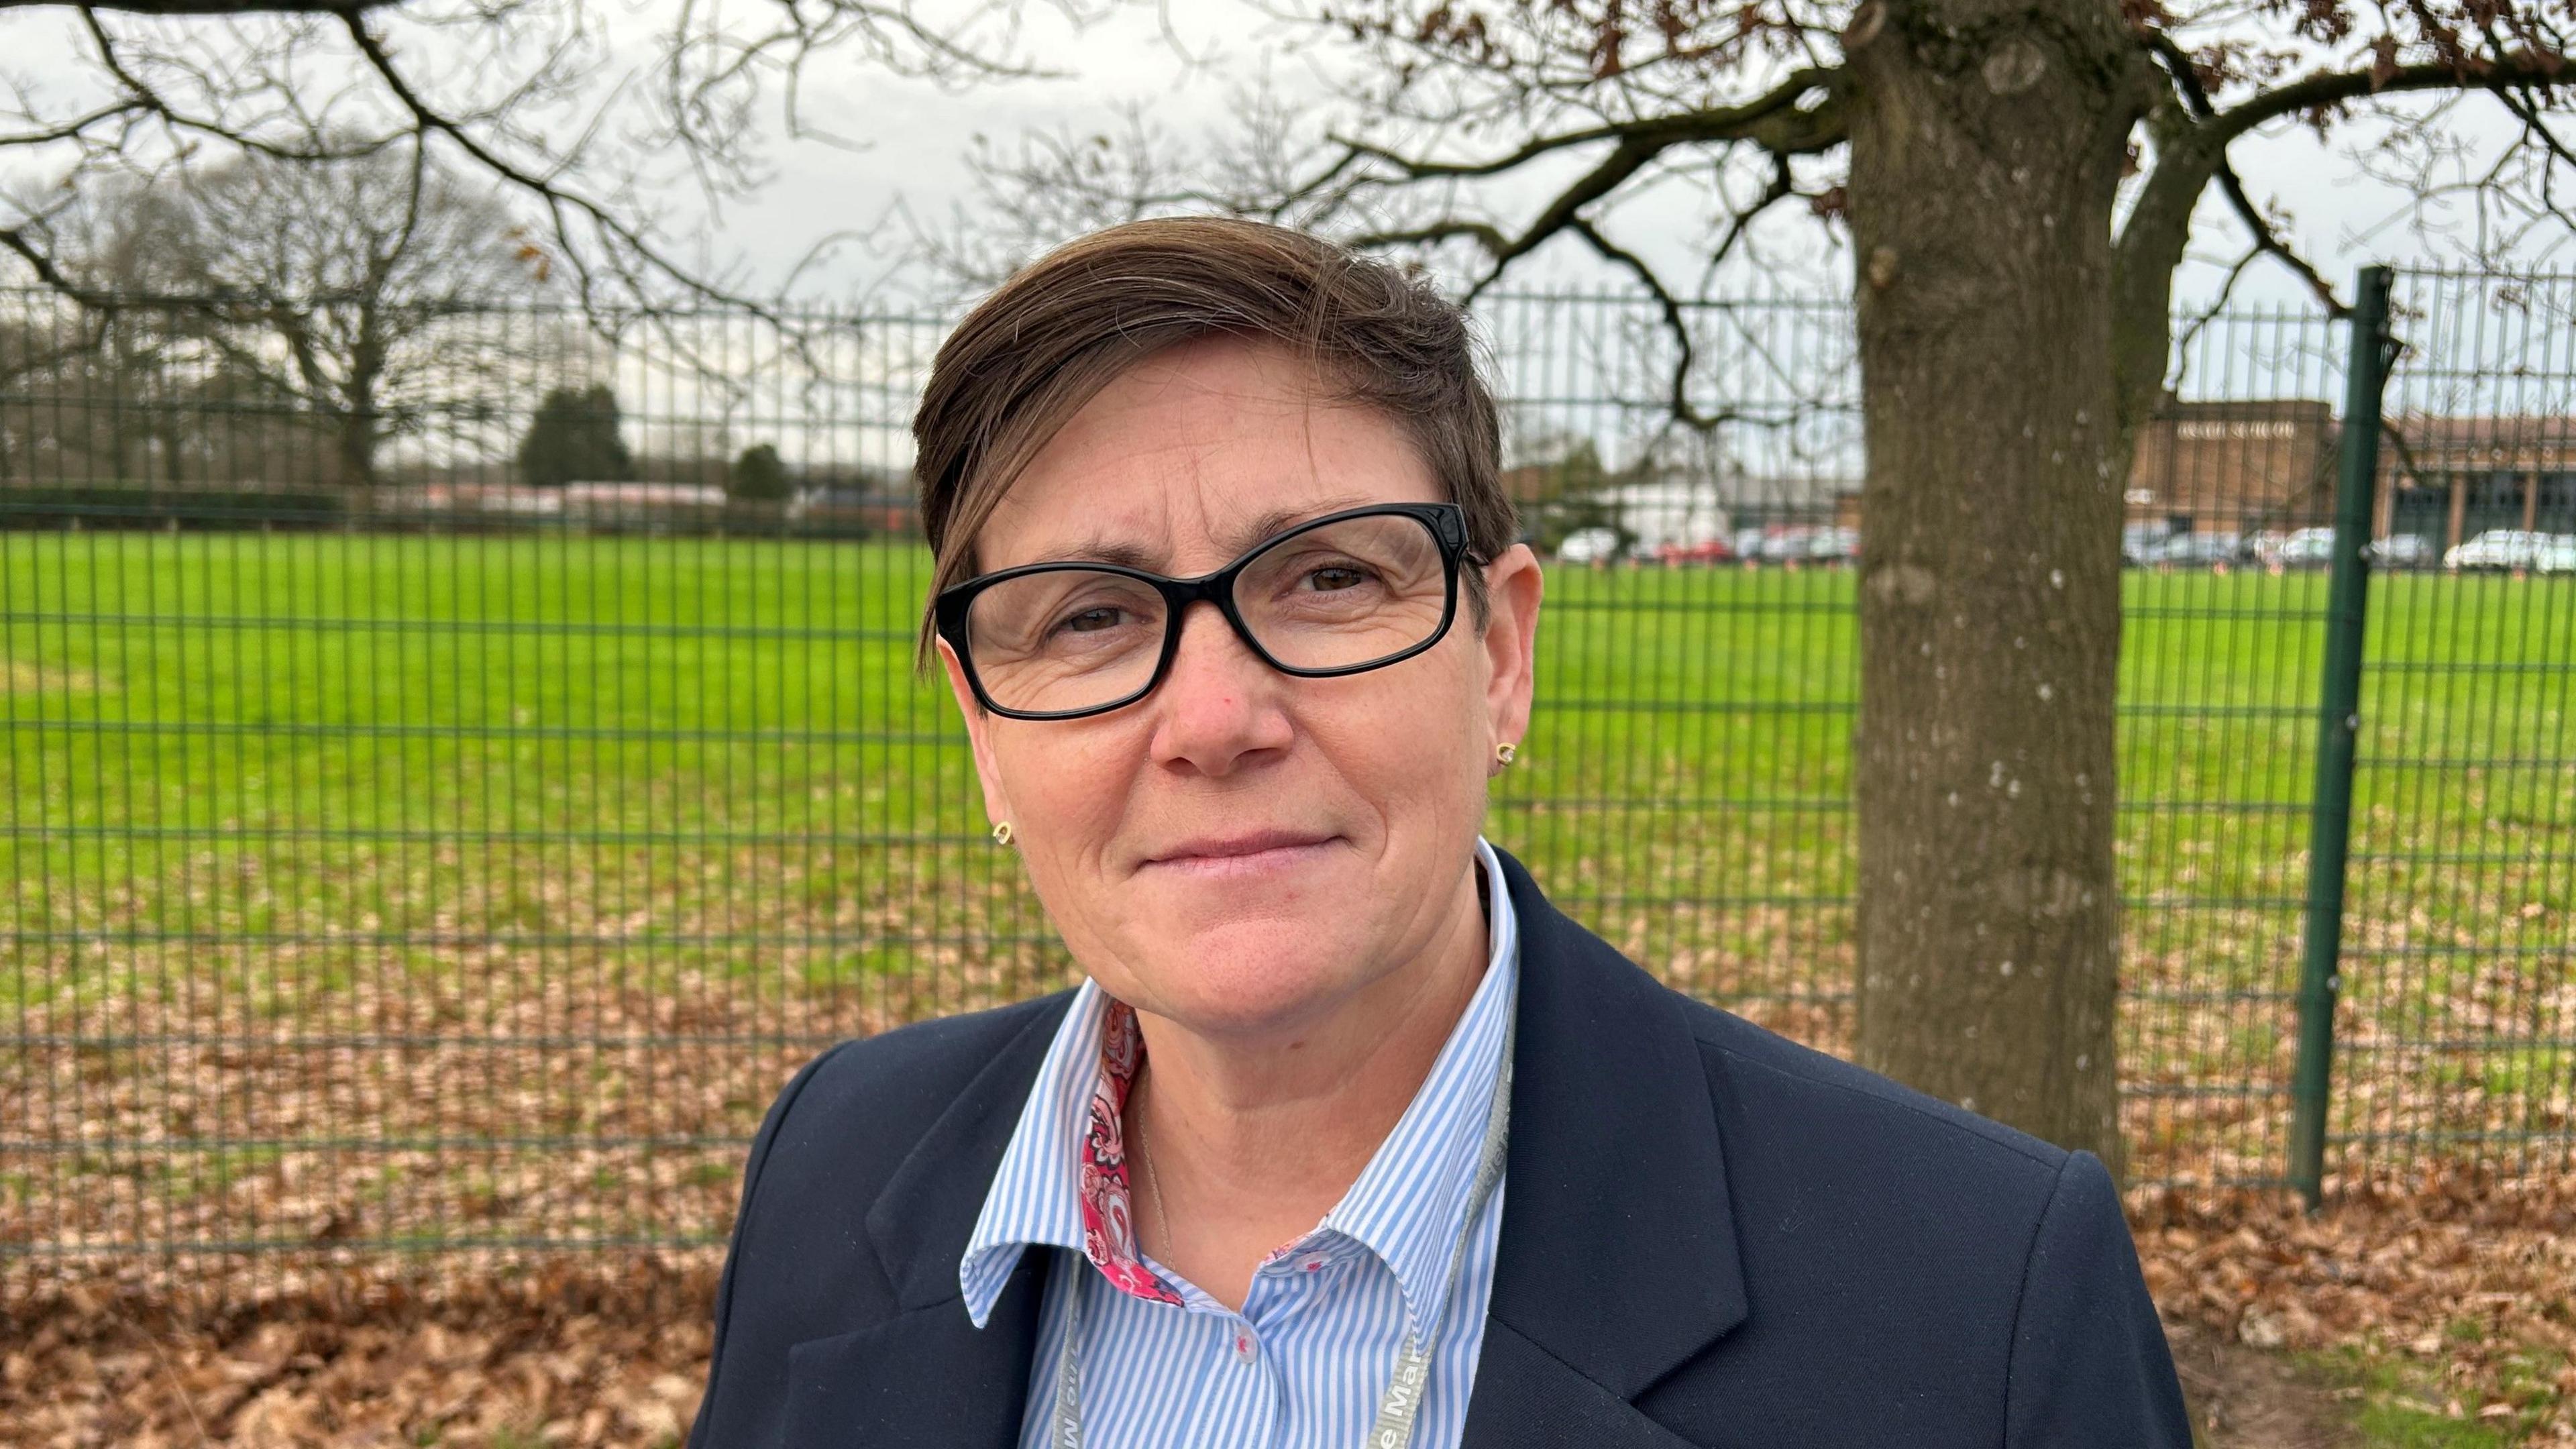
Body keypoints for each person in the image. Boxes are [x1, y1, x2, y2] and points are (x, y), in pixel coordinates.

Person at [687, 217, 2192, 1449]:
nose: (1215, 720)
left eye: (1329, 581)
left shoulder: (1972, 1298)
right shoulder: (838, 1167)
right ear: (984, 734)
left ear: (1500, 654)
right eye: (1088, 617)